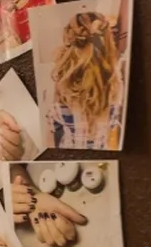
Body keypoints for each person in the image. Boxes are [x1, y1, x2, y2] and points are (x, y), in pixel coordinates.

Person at [47, 10, 126, 149]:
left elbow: (54, 124)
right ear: (108, 42)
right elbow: (113, 124)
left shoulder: (62, 83)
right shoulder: (116, 83)